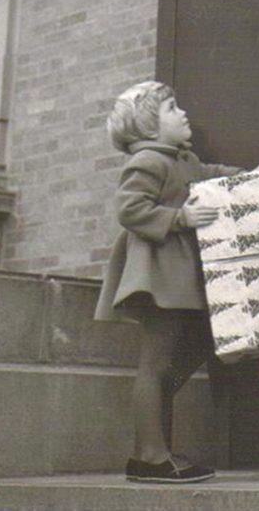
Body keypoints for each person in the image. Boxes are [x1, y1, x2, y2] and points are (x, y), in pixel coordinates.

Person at [94, 80, 244, 484]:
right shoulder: (148, 161)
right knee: (156, 364)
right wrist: (180, 218)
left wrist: (246, 178)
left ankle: (149, 449)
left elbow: (209, 175)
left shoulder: (182, 158)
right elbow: (130, 209)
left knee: (184, 353)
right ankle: (152, 456)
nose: (183, 113)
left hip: (178, 274)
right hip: (158, 274)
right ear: (148, 127)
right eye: (172, 108)